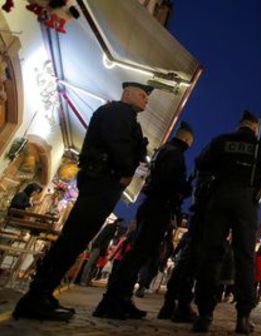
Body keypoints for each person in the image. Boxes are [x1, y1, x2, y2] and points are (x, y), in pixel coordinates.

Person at [13, 82, 151, 321]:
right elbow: (119, 148)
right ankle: (36, 298)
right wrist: (127, 170)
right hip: (102, 181)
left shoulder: (121, 114)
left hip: (101, 182)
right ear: (127, 94)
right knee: (72, 240)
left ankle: (43, 293)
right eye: (142, 95)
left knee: (74, 240)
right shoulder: (118, 113)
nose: (146, 100)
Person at [191, 110, 261, 334]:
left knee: (211, 253)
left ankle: (204, 314)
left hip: (219, 199)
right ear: (254, 127)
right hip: (246, 202)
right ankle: (243, 317)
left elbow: (201, 162)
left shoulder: (222, 141)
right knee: (244, 257)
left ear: (239, 125)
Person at [95, 121, 194, 319]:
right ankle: (113, 300)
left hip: (152, 206)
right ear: (186, 139)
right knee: (137, 255)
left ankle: (121, 298)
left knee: (139, 254)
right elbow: (171, 182)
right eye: (191, 141)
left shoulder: (164, 150)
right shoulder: (175, 153)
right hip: (159, 207)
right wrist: (185, 189)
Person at [80, 218, 123, 286]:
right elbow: (104, 237)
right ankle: (83, 280)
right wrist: (101, 247)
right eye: (122, 223)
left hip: (99, 246)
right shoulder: (112, 227)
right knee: (91, 263)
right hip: (99, 247)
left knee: (93, 264)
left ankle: (87, 280)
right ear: (119, 222)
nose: (123, 225)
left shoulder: (111, 227)